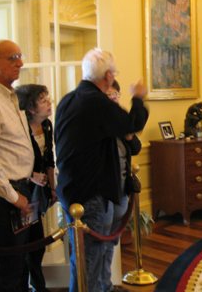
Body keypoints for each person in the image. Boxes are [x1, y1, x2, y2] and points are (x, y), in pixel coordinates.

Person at [55, 48, 148, 292]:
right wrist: (138, 97)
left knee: (85, 260)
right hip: (90, 193)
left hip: (71, 189)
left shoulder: (69, 99)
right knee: (90, 262)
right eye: (113, 74)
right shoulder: (95, 102)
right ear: (108, 76)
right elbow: (132, 124)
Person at [0, 40, 38, 291]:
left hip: (19, 191)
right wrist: (14, 197)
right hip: (4, 197)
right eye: (13, 57)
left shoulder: (9, 95)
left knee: (19, 267)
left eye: (20, 55)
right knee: (6, 272)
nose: (21, 63)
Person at [15, 83, 56, 292]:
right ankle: (31, 286)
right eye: (43, 100)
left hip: (40, 193)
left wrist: (53, 187)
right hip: (20, 192)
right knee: (22, 244)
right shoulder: (19, 128)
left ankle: (37, 285)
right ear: (30, 107)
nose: (49, 103)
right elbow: (10, 161)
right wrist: (31, 176)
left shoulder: (47, 125)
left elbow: (49, 159)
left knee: (37, 243)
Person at [106, 81, 141, 242]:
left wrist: (130, 137)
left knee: (115, 232)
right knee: (104, 233)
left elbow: (136, 148)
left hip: (122, 183)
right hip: (106, 187)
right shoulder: (100, 120)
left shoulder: (121, 118)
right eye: (109, 95)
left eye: (116, 94)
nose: (113, 98)